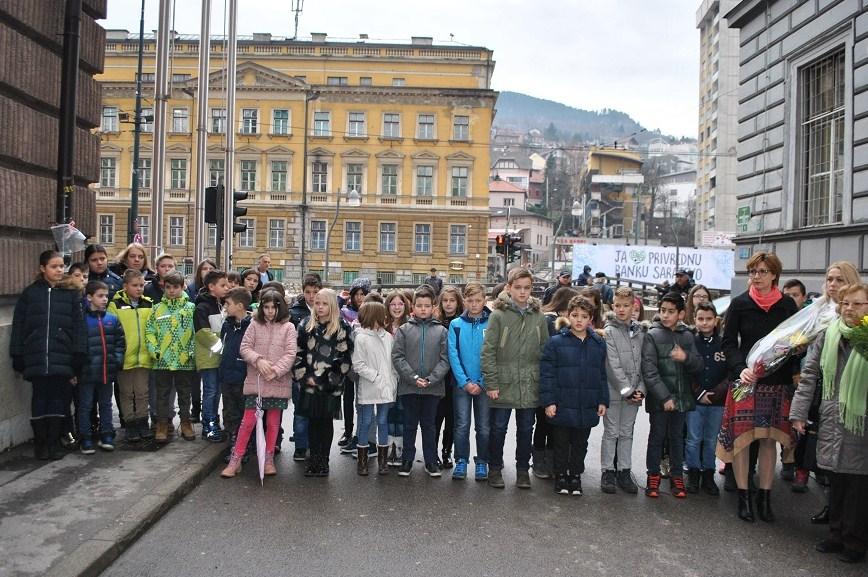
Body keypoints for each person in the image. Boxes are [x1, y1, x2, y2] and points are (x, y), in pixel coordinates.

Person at [717, 252, 799, 522]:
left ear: (774, 274)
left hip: (776, 383)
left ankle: (764, 497)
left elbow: (794, 343)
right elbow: (728, 342)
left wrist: (794, 359)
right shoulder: (740, 304)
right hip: (746, 382)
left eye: (762, 272)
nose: (756, 277)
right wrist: (741, 368)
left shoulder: (787, 305)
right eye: (752, 272)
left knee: (768, 440)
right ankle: (743, 497)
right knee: (742, 442)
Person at [791, 283, 868, 565]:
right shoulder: (830, 333)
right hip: (833, 416)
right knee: (834, 479)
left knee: (858, 484)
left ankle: (855, 540)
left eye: (858, 304)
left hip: (861, 421)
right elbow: (809, 373)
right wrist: (799, 413)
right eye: (846, 303)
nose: (850, 308)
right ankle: (836, 533)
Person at [11, 250, 86, 460]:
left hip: (61, 356)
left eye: (62, 266)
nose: (59, 270)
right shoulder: (31, 294)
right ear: (43, 268)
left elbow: (78, 328)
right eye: (54, 266)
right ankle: (41, 444)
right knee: (39, 399)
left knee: (58, 400)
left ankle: (53, 443)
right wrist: (17, 354)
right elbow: (19, 326)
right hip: (36, 356)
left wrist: (78, 355)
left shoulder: (70, 294)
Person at [482, 267, 549, 489]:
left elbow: (544, 350)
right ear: (509, 288)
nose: (522, 292)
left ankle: (522, 470)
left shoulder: (538, 317)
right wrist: (491, 382)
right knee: (498, 428)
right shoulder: (498, 315)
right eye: (518, 288)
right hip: (503, 381)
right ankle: (495, 468)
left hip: (529, 382)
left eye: (527, 288)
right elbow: (489, 351)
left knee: (525, 429)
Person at [221, 291, 297, 479]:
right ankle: (235, 459)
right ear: (261, 307)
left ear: (280, 307)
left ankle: (268, 459)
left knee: (272, 423)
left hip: (277, 382)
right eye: (266, 307)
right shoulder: (254, 324)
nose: (270, 311)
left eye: (274, 307)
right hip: (256, 381)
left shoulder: (288, 327)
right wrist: (259, 361)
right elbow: (245, 348)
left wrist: (276, 370)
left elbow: (290, 353)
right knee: (248, 422)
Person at [540, 296, 608, 496]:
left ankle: (575, 475)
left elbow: (601, 374)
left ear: (591, 319)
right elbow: (547, 374)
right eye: (575, 315)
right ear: (568, 316)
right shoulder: (555, 342)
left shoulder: (597, 343)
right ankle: (560, 474)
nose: (579, 320)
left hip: (586, 403)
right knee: (560, 442)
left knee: (580, 443)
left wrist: (602, 399)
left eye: (584, 316)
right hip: (562, 402)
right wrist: (549, 401)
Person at [642, 293, 704, 499]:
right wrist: (664, 397)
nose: (666, 315)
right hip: (660, 399)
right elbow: (649, 371)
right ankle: (653, 475)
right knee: (657, 436)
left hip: (682, 399)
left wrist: (685, 357)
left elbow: (698, 365)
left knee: (677, 438)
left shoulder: (687, 336)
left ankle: (677, 475)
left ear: (681, 314)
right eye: (663, 311)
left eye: (671, 312)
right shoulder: (653, 335)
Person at [293, 288, 353, 477]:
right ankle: (313, 458)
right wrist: (304, 376)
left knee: (325, 422)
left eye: (324, 303)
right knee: (312, 422)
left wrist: (329, 379)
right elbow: (298, 353)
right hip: (309, 382)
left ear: (332, 305)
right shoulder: (305, 324)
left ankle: (323, 459)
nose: (319, 307)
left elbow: (344, 357)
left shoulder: (342, 327)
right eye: (317, 303)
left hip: (330, 385)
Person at [392, 285, 450, 477]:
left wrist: (431, 379)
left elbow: (445, 359)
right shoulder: (404, 330)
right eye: (419, 305)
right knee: (409, 425)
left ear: (433, 306)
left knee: (429, 426)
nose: (423, 309)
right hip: (409, 387)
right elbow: (398, 357)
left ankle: (431, 461)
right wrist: (414, 378)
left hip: (432, 389)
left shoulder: (441, 331)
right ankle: (407, 459)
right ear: (413, 307)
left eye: (427, 305)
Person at [600, 287, 646, 495]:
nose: (621, 309)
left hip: (634, 392)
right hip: (614, 390)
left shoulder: (640, 332)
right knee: (611, 431)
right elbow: (612, 364)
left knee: (627, 432)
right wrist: (627, 389)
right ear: (612, 306)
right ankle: (608, 470)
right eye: (617, 305)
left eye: (625, 306)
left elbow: (645, 363)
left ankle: (624, 470)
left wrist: (641, 390)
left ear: (633, 307)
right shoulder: (609, 331)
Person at [145, 270, 197, 443]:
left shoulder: (190, 308)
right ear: (163, 287)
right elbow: (150, 331)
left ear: (182, 287)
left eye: (176, 287)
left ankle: (185, 422)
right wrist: (155, 351)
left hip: (184, 360)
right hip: (163, 360)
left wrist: (191, 351)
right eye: (168, 287)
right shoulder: (158, 309)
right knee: (162, 394)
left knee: (184, 393)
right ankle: (162, 423)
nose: (172, 291)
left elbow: (195, 333)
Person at [448, 282, 491, 481]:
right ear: (464, 301)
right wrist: (464, 381)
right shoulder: (456, 325)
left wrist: (482, 381)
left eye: (478, 301)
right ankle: (461, 460)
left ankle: (482, 460)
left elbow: (493, 354)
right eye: (470, 301)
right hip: (462, 384)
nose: (474, 305)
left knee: (483, 426)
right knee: (462, 424)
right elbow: (453, 355)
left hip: (484, 383)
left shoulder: (492, 323)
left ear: (484, 300)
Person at [535, 285, 580, 479]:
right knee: (544, 424)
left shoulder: (557, 321)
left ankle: (551, 461)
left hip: (559, 382)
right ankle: (539, 461)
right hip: (546, 380)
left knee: (553, 425)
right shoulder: (550, 322)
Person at [685, 302, 728, 495]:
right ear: (694, 320)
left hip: (717, 401)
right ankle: (694, 472)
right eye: (700, 319)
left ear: (716, 320)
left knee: (711, 439)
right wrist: (699, 392)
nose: (704, 323)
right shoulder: (691, 342)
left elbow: (729, 373)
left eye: (709, 319)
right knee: (693, 438)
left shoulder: (724, 343)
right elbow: (685, 370)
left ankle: (708, 474)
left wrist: (717, 392)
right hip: (695, 400)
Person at [78, 281, 126, 454]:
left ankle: (107, 434)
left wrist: (117, 361)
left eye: (106, 296)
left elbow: (120, 343)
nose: (105, 299)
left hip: (107, 370)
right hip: (87, 372)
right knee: (86, 405)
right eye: (100, 296)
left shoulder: (112, 320)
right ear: (89, 297)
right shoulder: (82, 320)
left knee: (106, 404)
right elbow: (77, 347)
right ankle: (86, 437)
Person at [108, 269, 154, 442]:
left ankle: (143, 422)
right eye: (135, 285)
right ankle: (130, 424)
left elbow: (152, 328)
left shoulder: (148, 304)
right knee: (126, 393)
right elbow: (112, 330)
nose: (139, 289)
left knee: (142, 392)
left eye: (142, 285)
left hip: (143, 357)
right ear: (125, 286)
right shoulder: (115, 305)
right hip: (125, 357)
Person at [351, 301, 397, 476]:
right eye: (382, 315)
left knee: (383, 421)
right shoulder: (361, 337)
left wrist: (392, 380)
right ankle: (362, 461)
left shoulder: (388, 337)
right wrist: (376, 377)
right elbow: (358, 364)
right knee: (366, 421)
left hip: (386, 388)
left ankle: (382, 462)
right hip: (370, 387)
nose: (385, 318)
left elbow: (392, 363)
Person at [288, 274, 322, 461]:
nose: (311, 296)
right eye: (308, 292)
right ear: (303, 292)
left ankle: (314, 443)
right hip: (300, 369)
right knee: (301, 409)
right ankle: (300, 445)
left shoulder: (325, 311)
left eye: (315, 292)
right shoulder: (295, 313)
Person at [194, 270, 229, 442]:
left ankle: (214, 421)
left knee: (216, 393)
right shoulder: (202, 307)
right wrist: (223, 348)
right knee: (210, 392)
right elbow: (203, 334)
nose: (226, 288)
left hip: (219, 359)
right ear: (211, 287)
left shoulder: (222, 305)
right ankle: (208, 425)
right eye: (223, 285)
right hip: (209, 359)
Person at [219, 287, 252, 465]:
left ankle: (245, 446)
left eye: (228, 304)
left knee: (245, 414)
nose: (226, 306)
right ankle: (234, 446)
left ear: (240, 306)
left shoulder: (252, 325)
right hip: (227, 375)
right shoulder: (227, 324)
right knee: (230, 413)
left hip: (244, 378)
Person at [337, 277, 371, 453]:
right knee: (348, 398)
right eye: (356, 294)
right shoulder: (344, 311)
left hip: (364, 363)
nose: (360, 298)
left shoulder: (371, 312)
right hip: (348, 362)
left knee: (362, 401)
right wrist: (340, 299)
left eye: (363, 294)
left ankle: (360, 434)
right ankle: (348, 432)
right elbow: (333, 316)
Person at [434, 286, 463, 469]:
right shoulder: (436, 322)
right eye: (445, 301)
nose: (448, 304)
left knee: (452, 418)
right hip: (439, 376)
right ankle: (432, 451)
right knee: (436, 417)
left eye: (452, 300)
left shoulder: (462, 322)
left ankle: (447, 451)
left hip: (456, 376)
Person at [384, 290, 412, 466]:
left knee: (402, 412)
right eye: (393, 304)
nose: (396, 307)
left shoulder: (410, 325)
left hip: (404, 376)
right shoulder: (383, 325)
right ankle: (388, 446)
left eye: (400, 304)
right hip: (387, 376)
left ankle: (400, 447)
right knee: (388, 411)